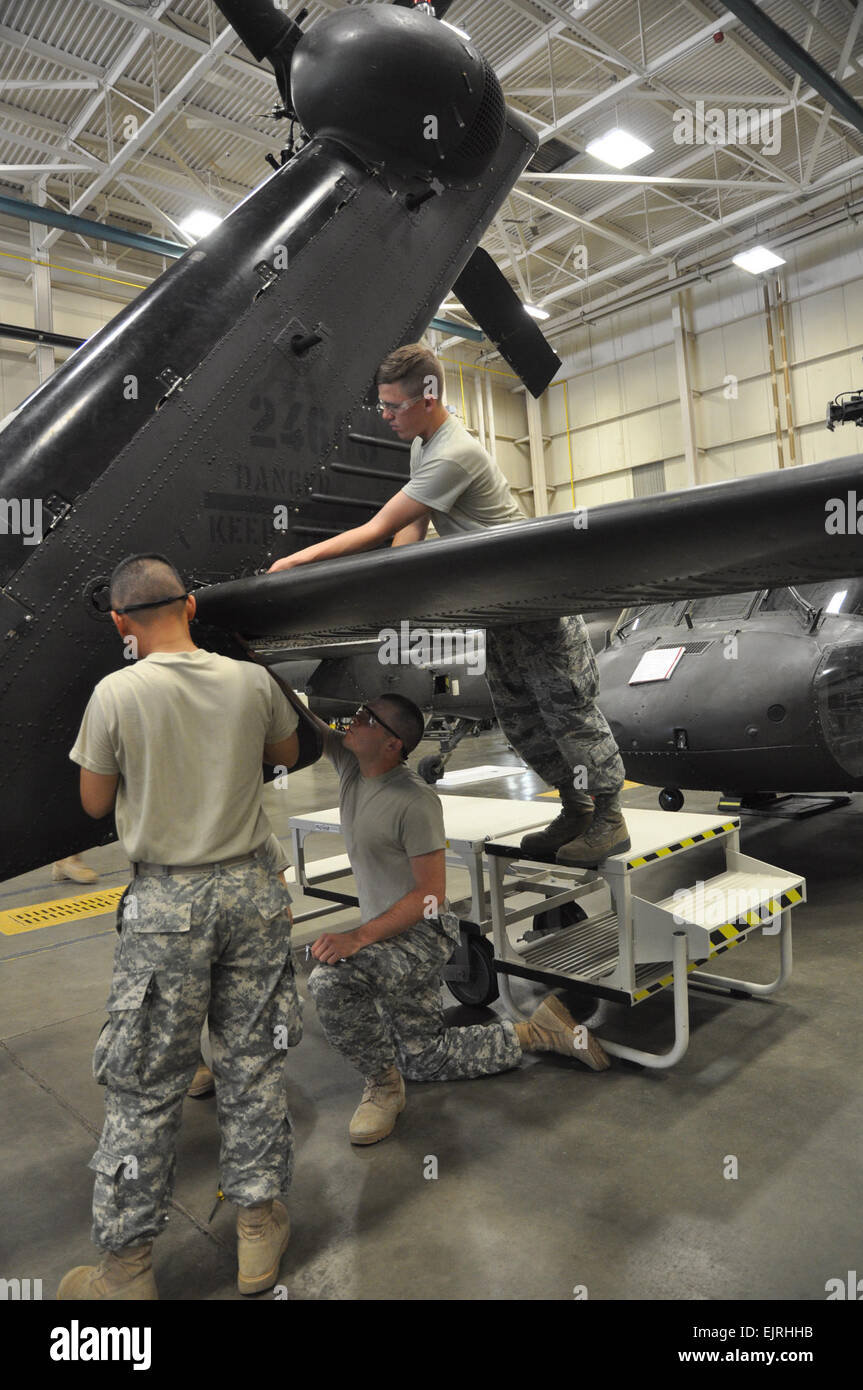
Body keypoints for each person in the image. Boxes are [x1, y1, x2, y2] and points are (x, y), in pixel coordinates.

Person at [268, 343, 628, 866]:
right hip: (498, 606)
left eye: (393, 406)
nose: (385, 415)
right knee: (522, 715)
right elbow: (407, 535)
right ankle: (576, 807)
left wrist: (294, 565)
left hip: (536, 601)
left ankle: (610, 817)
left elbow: (379, 527)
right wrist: (390, 596)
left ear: (428, 400)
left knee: (566, 710)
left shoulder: (453, 453)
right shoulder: (422, 445)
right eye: (382, 405)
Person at [58, 553, 302, 1301]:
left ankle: (127, 1270)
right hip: (255, 893)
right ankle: (257, 1232)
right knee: (253, 1062)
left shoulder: (115, 692)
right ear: (190, 607)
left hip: (168, 907)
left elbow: (95, 803)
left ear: (119, 622)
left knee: (145, 1085)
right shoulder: (251, 681)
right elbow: (287, 754)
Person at [296, 691, 608, 1147]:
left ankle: (383, 1087)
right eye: (358, 712)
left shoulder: (414, 801)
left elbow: (429, 895)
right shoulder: (351, 768)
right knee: (425, 1059)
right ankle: (538, 1031)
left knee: (330, 981)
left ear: (392, 743)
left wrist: (358, 937)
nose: (353, 720)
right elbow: (310, 725)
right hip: (389, 934)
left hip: (422, 934)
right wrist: (254, 663)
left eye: (366, 718)